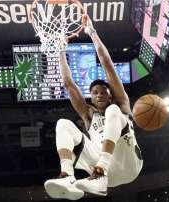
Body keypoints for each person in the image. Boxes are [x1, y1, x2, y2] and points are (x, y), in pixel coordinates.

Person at [43, 15, 143, 200]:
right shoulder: (88, 114)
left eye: (103, 91)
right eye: (95, 92)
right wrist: (60, 51)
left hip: (129, 164)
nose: (99, 95)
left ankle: (100, 172)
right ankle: (67, 175)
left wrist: (92, 32)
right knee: (63, 124)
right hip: (106, 170)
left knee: (114, 111)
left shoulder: (120, 104)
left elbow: (107, 63)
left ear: (110, 94)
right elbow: (68, 84)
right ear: (91, 97)